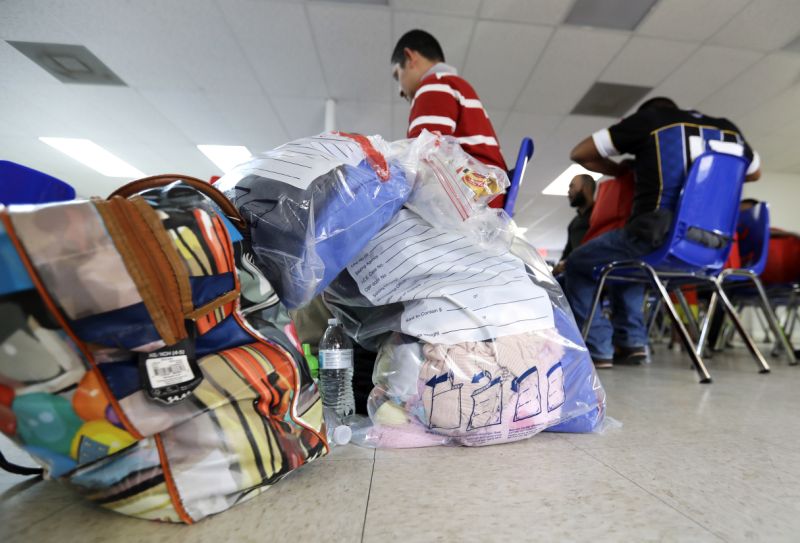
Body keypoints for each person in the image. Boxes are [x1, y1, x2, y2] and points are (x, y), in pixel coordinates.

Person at [566, 97, 761, 368]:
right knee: (627, 265)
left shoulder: (651, 120)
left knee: (578, 263)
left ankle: (600, 348)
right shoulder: (729, 129)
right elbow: (754, 173)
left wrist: (622, 169)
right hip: (714, 245)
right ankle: (632, 344)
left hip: (659, 233)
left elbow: (581, 153)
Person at [391, 29, 508, 205]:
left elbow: (421, 159)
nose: (400, 91)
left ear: (410, 58)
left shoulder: (434, 85)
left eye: (397, 75)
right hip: (488, 192)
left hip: (476, 196)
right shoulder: (455, 85)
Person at [553, 174, 595, 276]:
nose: (568, 191)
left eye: (572, 186)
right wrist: (556, 269)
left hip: (593, 274)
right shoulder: (573, 223)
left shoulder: (600, 215)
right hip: (576, 274)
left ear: (585, 188)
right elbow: (567, 253)